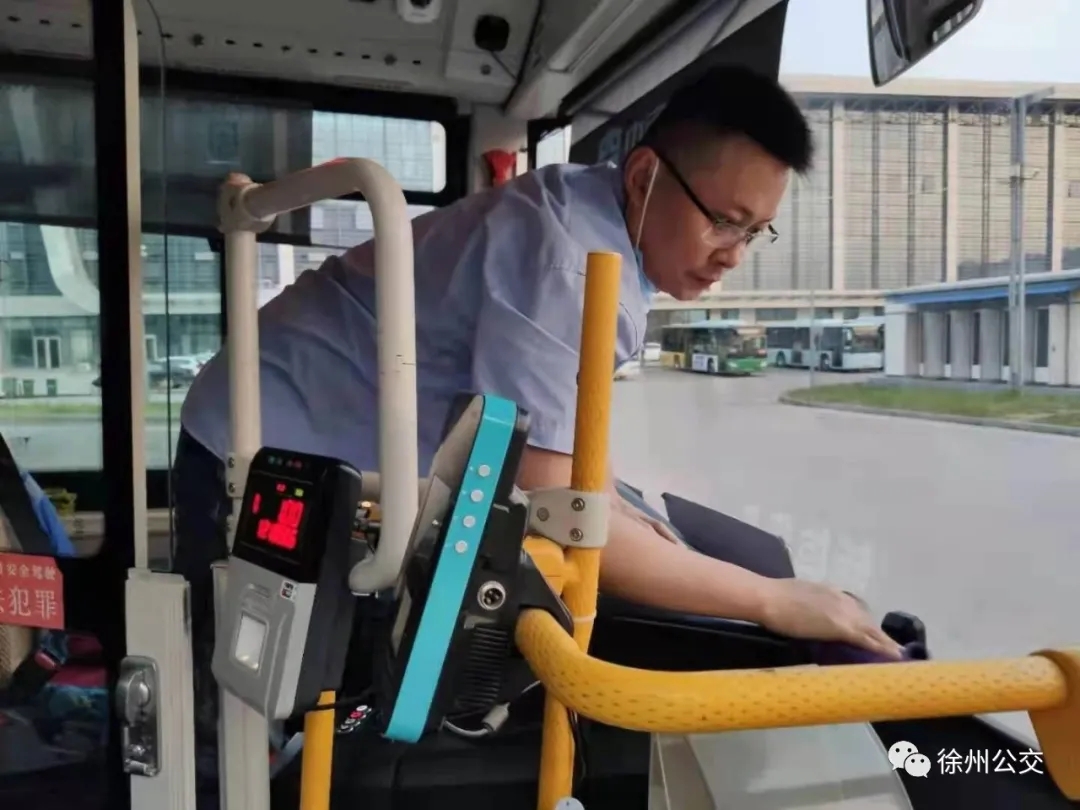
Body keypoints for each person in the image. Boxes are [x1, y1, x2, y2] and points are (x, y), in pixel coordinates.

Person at [173, 65, 902, 670]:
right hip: (256, 442)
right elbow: (556, 508)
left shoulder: (598, 224)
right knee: (239, 688)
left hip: (310, 431)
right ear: (645, 176)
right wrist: (772, 600)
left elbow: (565, 460)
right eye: (724, 221)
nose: (734, 254)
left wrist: (633, 515)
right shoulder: (570, 266)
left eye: (755, 231)